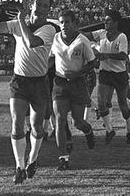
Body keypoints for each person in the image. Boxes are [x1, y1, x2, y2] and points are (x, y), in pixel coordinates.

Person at [0, 0, 55, 184]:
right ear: (31, 5)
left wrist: (21, 20)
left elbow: (32, 42)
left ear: (49, 10)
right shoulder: (18, 24)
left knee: (37, 126)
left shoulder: (49, 29)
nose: (41, 8)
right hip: (20, 81)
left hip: (40, 82)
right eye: (38, 4)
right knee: (16, 123)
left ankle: (33, 159)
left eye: (45, 6)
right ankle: (19, 166)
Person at [51, 10, 96, 170]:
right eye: (61, 22)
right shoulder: (55, 39)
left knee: (77, 122)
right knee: (60, 120)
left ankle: (88, 131)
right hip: (60, 83)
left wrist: (78, 72)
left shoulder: (82, 40)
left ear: (74, 23)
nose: (64, 25)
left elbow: (93, 62)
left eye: (67, 22)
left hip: (77, 83)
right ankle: (63, 158)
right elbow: (50, 59)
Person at [83, 10, 130, 144]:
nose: (105, 22)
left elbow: (123, 56)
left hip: (119, 75)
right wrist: (74, 31)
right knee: (101, 104)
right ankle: (110, 129)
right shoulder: (101, 34)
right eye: (105, 20)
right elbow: (85, 35)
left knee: (123, 106)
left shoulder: (122, 37)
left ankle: (129, 130)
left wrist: (106, 55)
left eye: (108, 20)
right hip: (105, 73)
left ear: (116, 23)